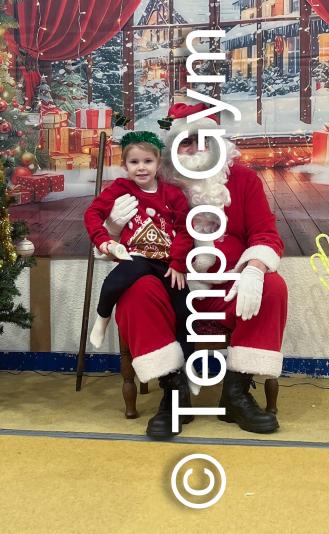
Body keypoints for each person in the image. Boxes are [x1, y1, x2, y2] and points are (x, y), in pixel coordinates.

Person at [109, 103, 288, 439]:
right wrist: (114, 228)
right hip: (169, 289)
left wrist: (254, 268)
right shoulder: (151, 185)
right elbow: (124, 241)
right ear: (172, 150)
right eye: (186, 142)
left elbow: (266, 234)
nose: (195, 149)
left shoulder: (244, 181)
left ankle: (236, 393)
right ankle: (174, 391)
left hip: (226, 288)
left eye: (204, 141)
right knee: (135, 290)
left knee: (273, 286)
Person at [84, 131, 194, 378]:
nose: (141, 167)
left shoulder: (172, 194)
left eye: (147, 161)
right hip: (136, 257)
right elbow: (92, 214)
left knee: (185, 310)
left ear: (158, 163)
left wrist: (178, 263)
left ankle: (186, 370)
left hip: (166, 262)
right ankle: (102, 317)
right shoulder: (120, 188)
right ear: (125, 165)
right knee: (122, 276)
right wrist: (104, 242)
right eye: (134, 162)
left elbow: (184, 229)